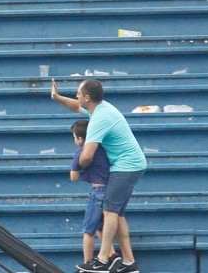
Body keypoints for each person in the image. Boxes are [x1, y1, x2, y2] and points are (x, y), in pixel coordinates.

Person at [51, 78, 147, 273]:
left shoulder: (98, 120)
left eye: (78, 93)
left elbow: (86, 157)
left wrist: (78, 166)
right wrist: (57, 97)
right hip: (133, 163)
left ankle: (103, 259)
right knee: (117, 215)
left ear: (87, 97)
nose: (76, 95)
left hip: (125, 166)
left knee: (109, 211)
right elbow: (76, 107)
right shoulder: (100, 108)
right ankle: (129, 262)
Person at [69, 120, 121, 269]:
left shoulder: (81, 151)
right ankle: (112, 254)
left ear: (79, 138)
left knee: (88, 230)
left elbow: (74, 177)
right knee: (99, 226)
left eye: (74, 137)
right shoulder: (101, 148)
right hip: (110, 189)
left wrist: (75, 166)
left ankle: (87, 264)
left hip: (97, 192)